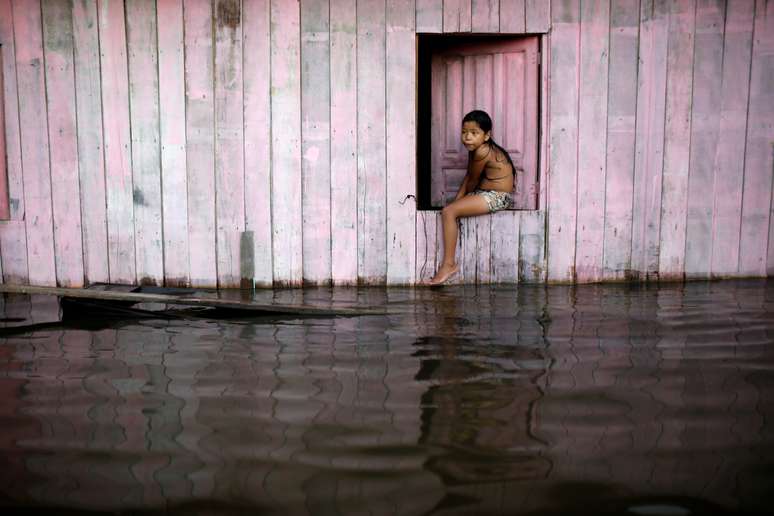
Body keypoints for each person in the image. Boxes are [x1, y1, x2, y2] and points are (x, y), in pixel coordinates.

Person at [429, 110, 517, 285]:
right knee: (451, 209)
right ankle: (448, 263)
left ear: (486, 136)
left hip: (498, 196)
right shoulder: (477, 149)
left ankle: (449, 265)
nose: (467, 137)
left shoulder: (482, 151)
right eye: (464, 132)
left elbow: (472, 180)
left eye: (474, 133)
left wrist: (455, 205)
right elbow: (469, 176)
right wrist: (458, 202)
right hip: (485, 193)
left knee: (448, 212)